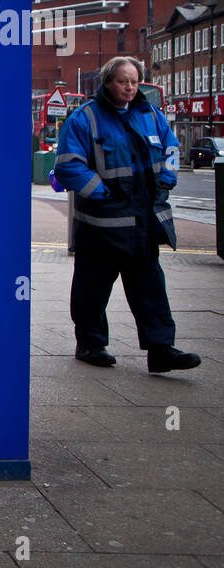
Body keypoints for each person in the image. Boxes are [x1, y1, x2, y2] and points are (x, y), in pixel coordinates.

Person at [53, 57, 200, 374]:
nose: (130, 88)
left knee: (151, 290)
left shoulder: (151, 115)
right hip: (101, 226)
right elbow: (67, 166)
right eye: (123, 81)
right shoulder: (84, 119)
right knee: (92, 290)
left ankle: (161, 350)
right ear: (107, 82)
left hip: (142, 223)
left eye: (134, 81)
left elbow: (171, 150)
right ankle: (91, 345)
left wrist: (167, 180)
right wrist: (102, 193)